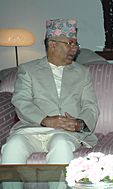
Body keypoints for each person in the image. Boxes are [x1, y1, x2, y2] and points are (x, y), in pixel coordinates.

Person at [1, 18, 99, 165]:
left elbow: (90, 106)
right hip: (31, 130)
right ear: (52, 44)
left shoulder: (82, 73)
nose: (75, 48)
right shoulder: (28, 70)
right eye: (70, 43)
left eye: (75, 44)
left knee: (61, 145)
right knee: (12, 147)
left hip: (65, 133)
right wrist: (45, 120)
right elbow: (21, 101)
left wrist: (79, 124)